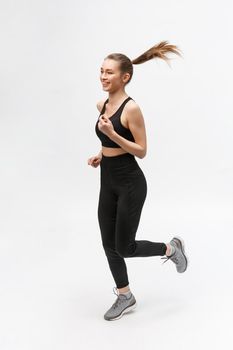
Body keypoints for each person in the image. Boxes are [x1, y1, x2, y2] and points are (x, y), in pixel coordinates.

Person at [87, 41, 188, 321]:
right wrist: (100, 155)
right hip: (108, 180)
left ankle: (171, 248)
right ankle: (125, 295)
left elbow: (141, 150)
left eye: (109, 72)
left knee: (125, 247)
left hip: (131, 183)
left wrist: (114, 134)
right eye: (101, 72)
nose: (103, 77)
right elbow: (108, 141)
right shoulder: (102, 104)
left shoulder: (132, 109)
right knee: (109, 244)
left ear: (125, 77)